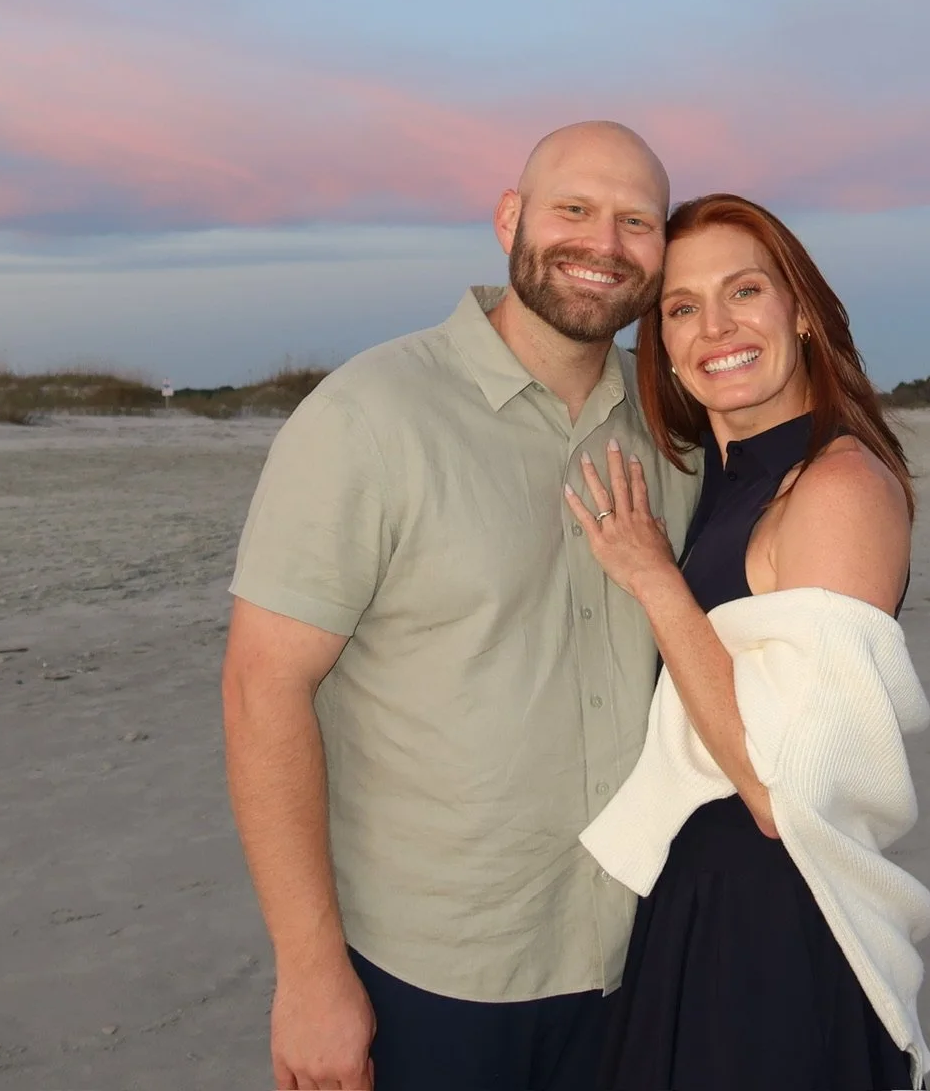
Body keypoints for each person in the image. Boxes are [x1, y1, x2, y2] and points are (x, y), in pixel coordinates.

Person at [220, 121, 700, 1091]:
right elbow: (261, 690)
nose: (603, 243)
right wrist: (310, 974)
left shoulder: (675, 426)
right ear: (510, 219)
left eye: (636, 221)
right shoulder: (369, 416)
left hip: (636, 957)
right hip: (432, 972)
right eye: (574, 209)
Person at [568, 193, 930, 1090]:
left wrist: (655, 580)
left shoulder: (836, 488)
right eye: (681, 308)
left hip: (773, 931)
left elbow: (781, 789)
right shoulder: (730, 479)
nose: (715, 328)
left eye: (744, 292)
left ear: (800, 310)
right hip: (701, 905)